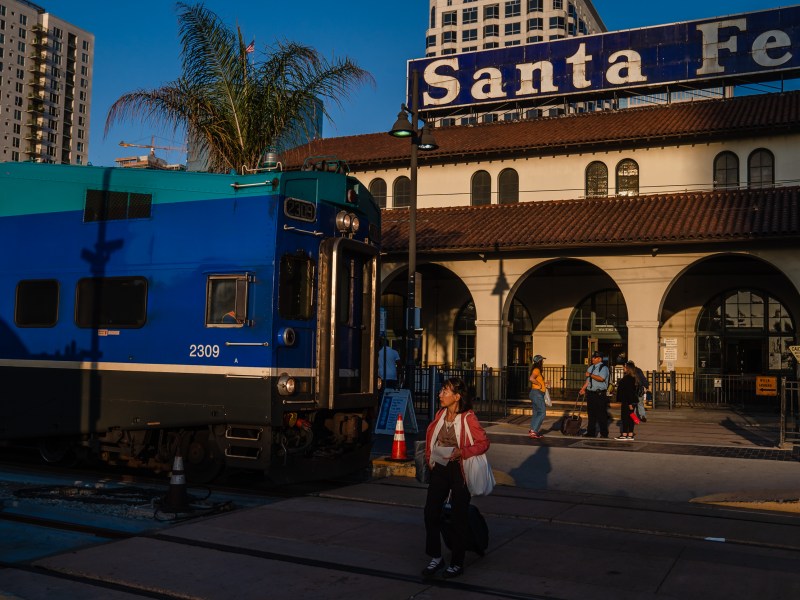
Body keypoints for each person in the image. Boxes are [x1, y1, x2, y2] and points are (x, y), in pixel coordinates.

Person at [422, 377, 490, 580]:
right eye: (441, 390)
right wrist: (430, 459)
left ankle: (457, 562)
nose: (440, 394)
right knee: (430, 512)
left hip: (460, 470)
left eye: (445, 391)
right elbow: (432, 439)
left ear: (457, 396)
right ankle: (436, 556)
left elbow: (483, 443)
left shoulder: (468, 418)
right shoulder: (441, 414)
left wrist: (463, 452)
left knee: (459, 516)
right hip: (440, 468)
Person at [579, 350, 610, 438]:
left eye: (595, 357)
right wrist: (583, 389)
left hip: (600, 394)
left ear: (599, 359)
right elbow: (588, 381)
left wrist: (590, 374)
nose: (593, 359)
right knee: (591, 414)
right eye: (593, 357)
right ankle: (591, 432)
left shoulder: (603, 368)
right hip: (591, 393)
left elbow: (601, 379)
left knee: (601, 415)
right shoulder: (591, 367)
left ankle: (604, 433)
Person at [615, 361, 639, 440]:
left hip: (627, 401)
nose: (623, 368)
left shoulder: (628, 378)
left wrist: (629, 403)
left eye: (624, 367)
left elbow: (629, 392)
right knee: (631, 417)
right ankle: (630, 434)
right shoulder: (633, 377)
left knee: (625, 418)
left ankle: (625, 434)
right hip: (631, 401)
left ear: (628, 369)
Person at [527, 355, 548, 439]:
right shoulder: (537, 370)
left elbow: (535, 380)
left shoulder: (536, 370)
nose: (543, 362)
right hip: (537, 394)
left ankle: (532, 430)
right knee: (542, 412)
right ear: (539, 361)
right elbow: (531, 378)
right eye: (542, 360)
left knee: (536, 413)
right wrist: (539, 384)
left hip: (535, 393)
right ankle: (534, 431)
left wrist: (544, 384)